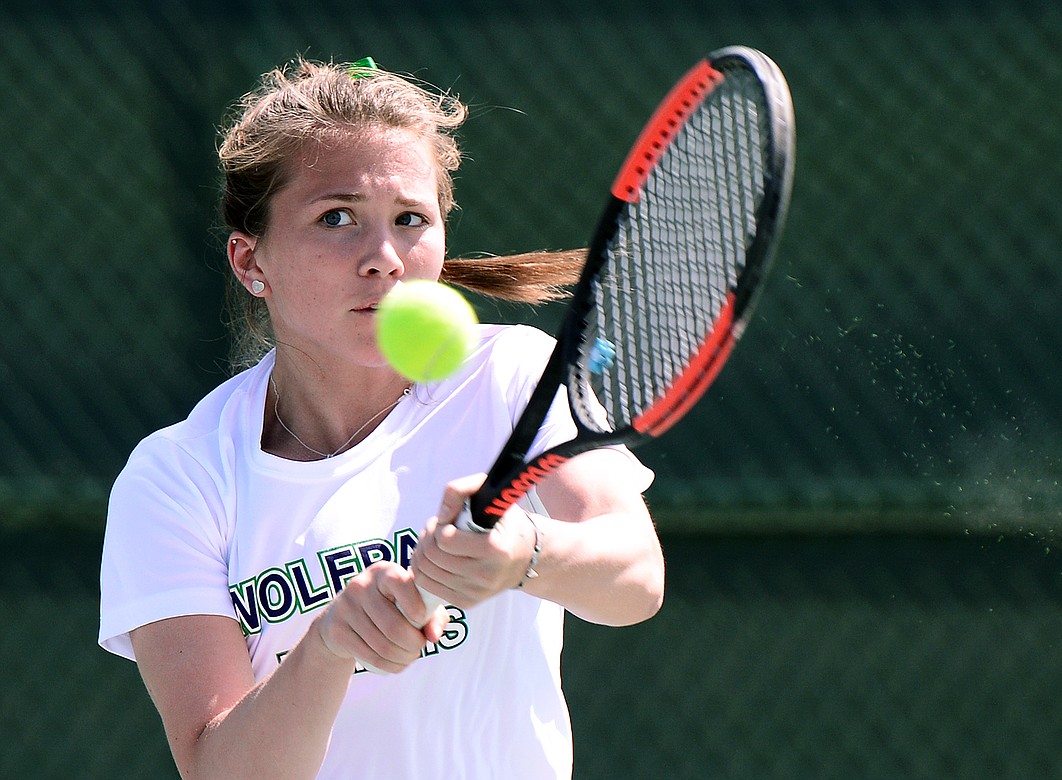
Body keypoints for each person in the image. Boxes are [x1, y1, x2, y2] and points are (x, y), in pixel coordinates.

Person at [98, 56, 665, 780]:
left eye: (410, 220)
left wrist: (523, 556)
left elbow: (636, 581)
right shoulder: (176, 479)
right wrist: (328, 645)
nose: (384, 257)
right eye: (337, 218)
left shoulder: (512, 374)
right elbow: (223, 770)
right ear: (250, 259)